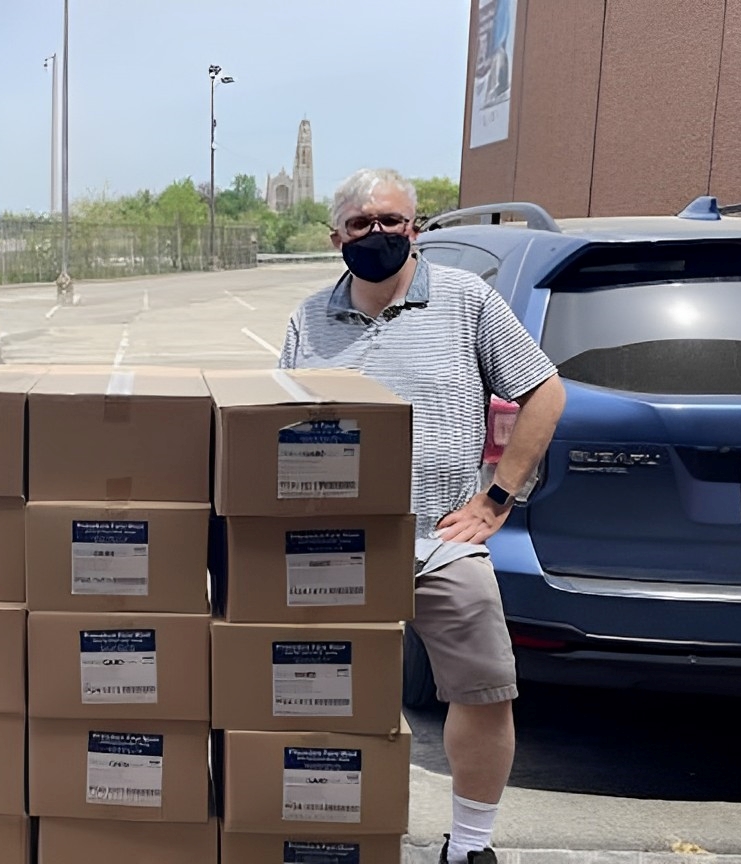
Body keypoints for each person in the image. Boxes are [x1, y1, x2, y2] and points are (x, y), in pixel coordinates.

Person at [278, 168, 566, 864]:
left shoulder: (467, 300)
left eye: (392, 222)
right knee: (312, 691)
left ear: (416, 228)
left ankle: (468, 845)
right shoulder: (309, 317)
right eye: (360, 224)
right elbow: (279, 422)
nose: (376, 234)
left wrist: (499, 498)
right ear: (336, 237)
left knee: (485, 685)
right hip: (333, 545)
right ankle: (323, 827)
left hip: (442, 536)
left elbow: (544, 392)